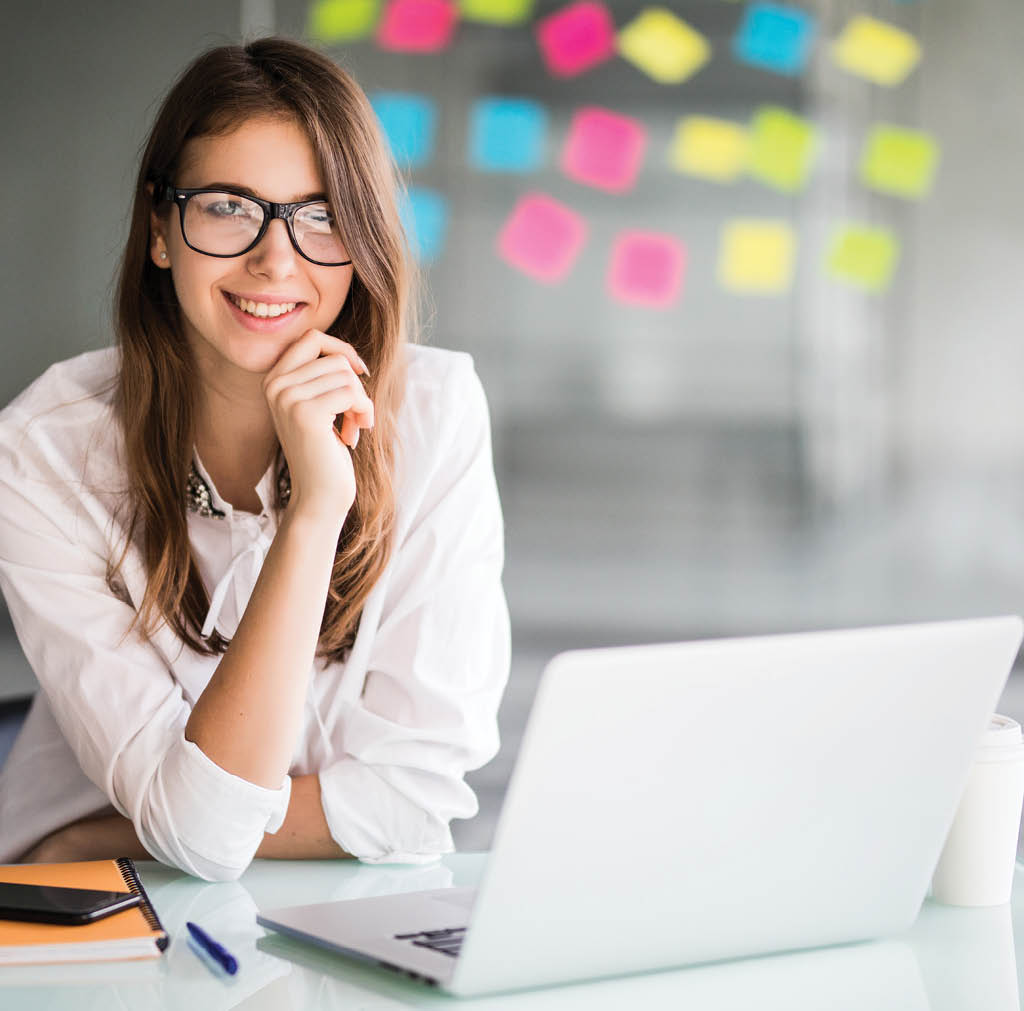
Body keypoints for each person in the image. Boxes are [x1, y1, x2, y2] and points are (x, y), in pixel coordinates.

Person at [0, 37, 510, 880]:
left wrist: (110, 830)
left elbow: (417, 804)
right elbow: (203, 837)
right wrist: (312, 517)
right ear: (161, 228)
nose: (277, 259)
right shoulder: (44, 453)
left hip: (317, 908)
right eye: (230, 207)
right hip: (95, 916)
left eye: (321, 215)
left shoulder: (434, 412)